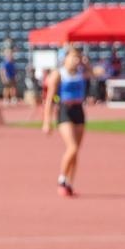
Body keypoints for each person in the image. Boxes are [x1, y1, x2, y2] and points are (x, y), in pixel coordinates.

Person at [42, 47, 90, 196]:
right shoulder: (59, 74)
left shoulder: (81, 73)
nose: (76, 60)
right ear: (66, 58)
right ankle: (62, 179)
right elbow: (49, 98)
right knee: (72, 147)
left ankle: (69, 184)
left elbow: (95, 74)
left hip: (79, 110)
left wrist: (86, 63)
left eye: (78, 57)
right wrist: (46, 121)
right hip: (65, 111)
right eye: (73, 57)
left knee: (76, 152)